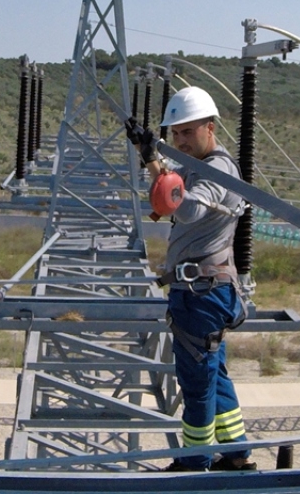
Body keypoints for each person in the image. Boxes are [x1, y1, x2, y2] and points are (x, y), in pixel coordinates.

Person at [128, 86, 254, 472]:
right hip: (199, 291)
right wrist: (150, 155)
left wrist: (152, 158)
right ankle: (236, 453)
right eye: (175, 133)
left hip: (202, 293)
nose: (181, 140)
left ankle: (193, 463)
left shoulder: (218, 169)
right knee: (214, 375)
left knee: (197, 381)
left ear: (209, 128)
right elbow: (164, 192)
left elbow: (185, 209)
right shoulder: (194, 166)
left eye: (188, 131)